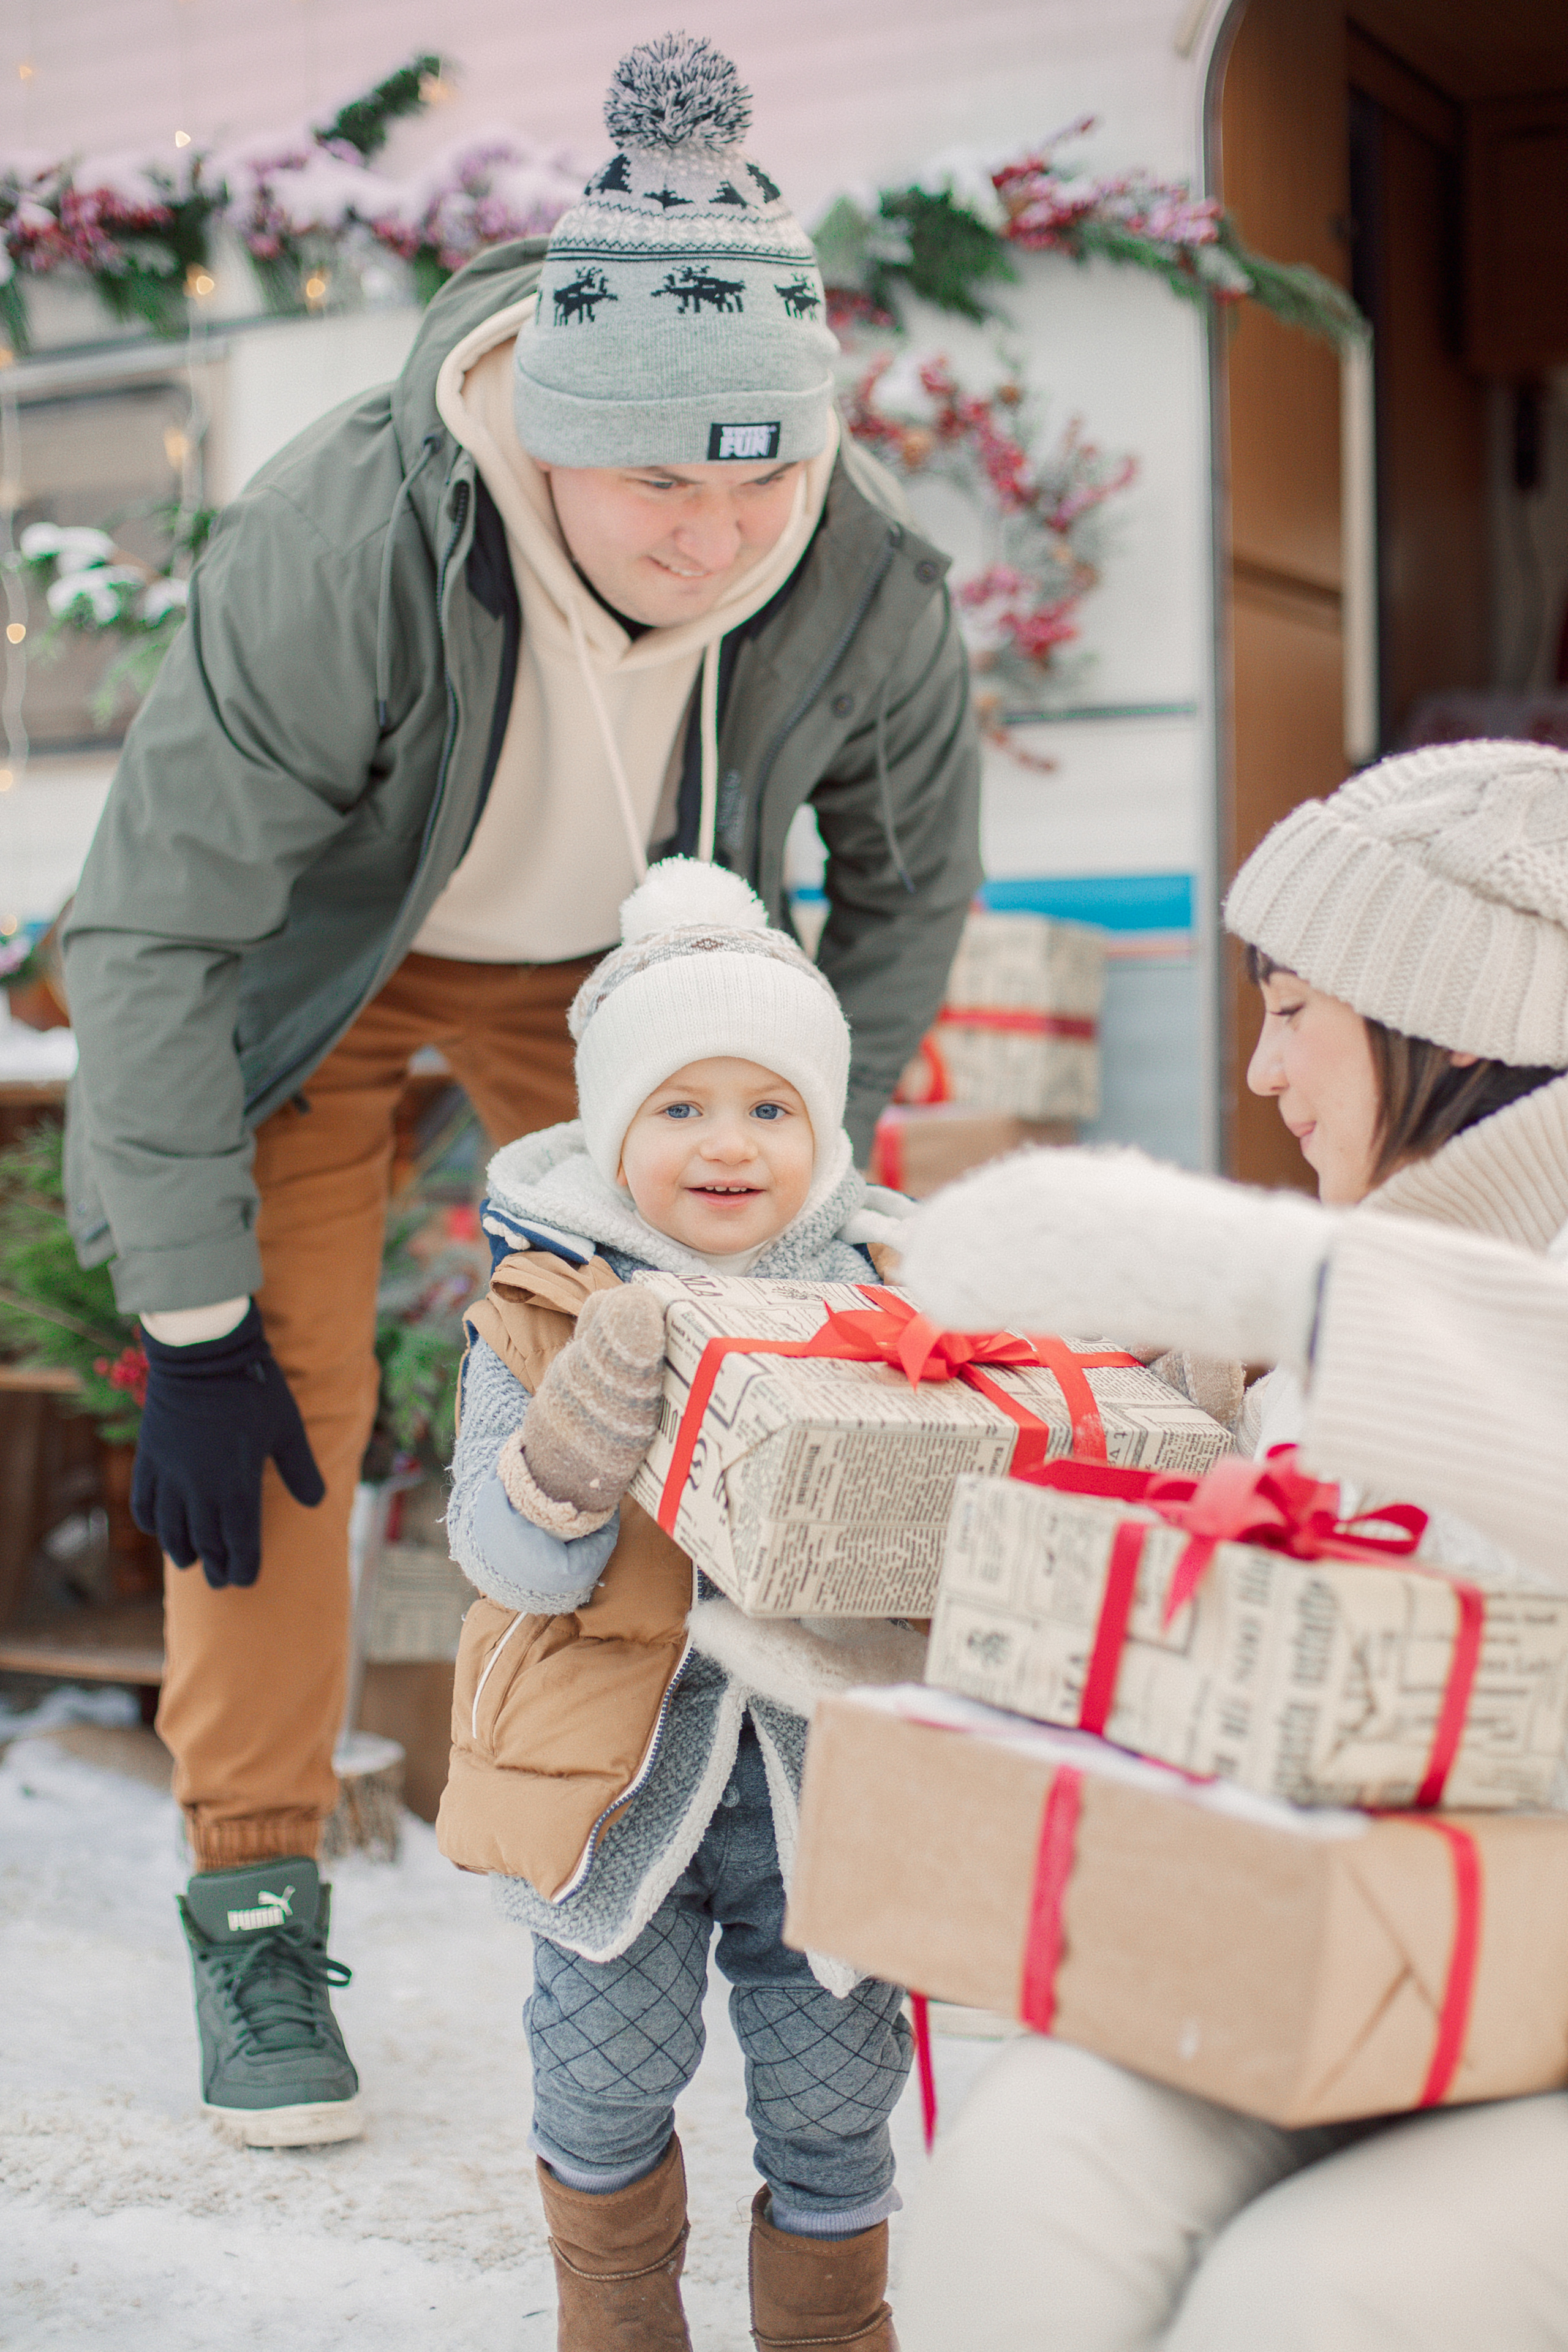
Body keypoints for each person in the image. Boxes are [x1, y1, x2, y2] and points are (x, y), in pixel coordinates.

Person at [59, 33, 979, 2145]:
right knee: (269, 1399)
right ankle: (256, 1901)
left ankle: (699, 1817)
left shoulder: (856, 563)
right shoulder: (346, 544)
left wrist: (795, 1142)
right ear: (557, 440)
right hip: (320, 971)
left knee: (678, 1358)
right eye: (665, 479)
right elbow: (154, 937)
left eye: (764, 479)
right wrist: (186, 1329)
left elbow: (915, 887)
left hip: (619, 980)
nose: (719, 529)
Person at [892, 739, 1568, 2351]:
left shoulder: (1394, 1286)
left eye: (1290, 1013)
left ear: (1445, 1023)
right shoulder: (1376, 1263)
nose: (1262, 1079)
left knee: (1316, 2295)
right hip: (1345, 1929)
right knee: (1019, 2185)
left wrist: (1273, 1288)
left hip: (1519, 1972)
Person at [440, 856, 921, 2350]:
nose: (729, 1146)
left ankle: (832, 2329)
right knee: (599, 2074)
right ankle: (616, 2314)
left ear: (823, 1130)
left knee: (836, 2095)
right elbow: (499, 1563)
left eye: (770, 1107)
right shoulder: (540, 1309)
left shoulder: (885, 1313)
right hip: (607, 1782)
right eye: (681, 1107)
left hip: (819, 1779)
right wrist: (563, 1460)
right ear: (611, 1126)